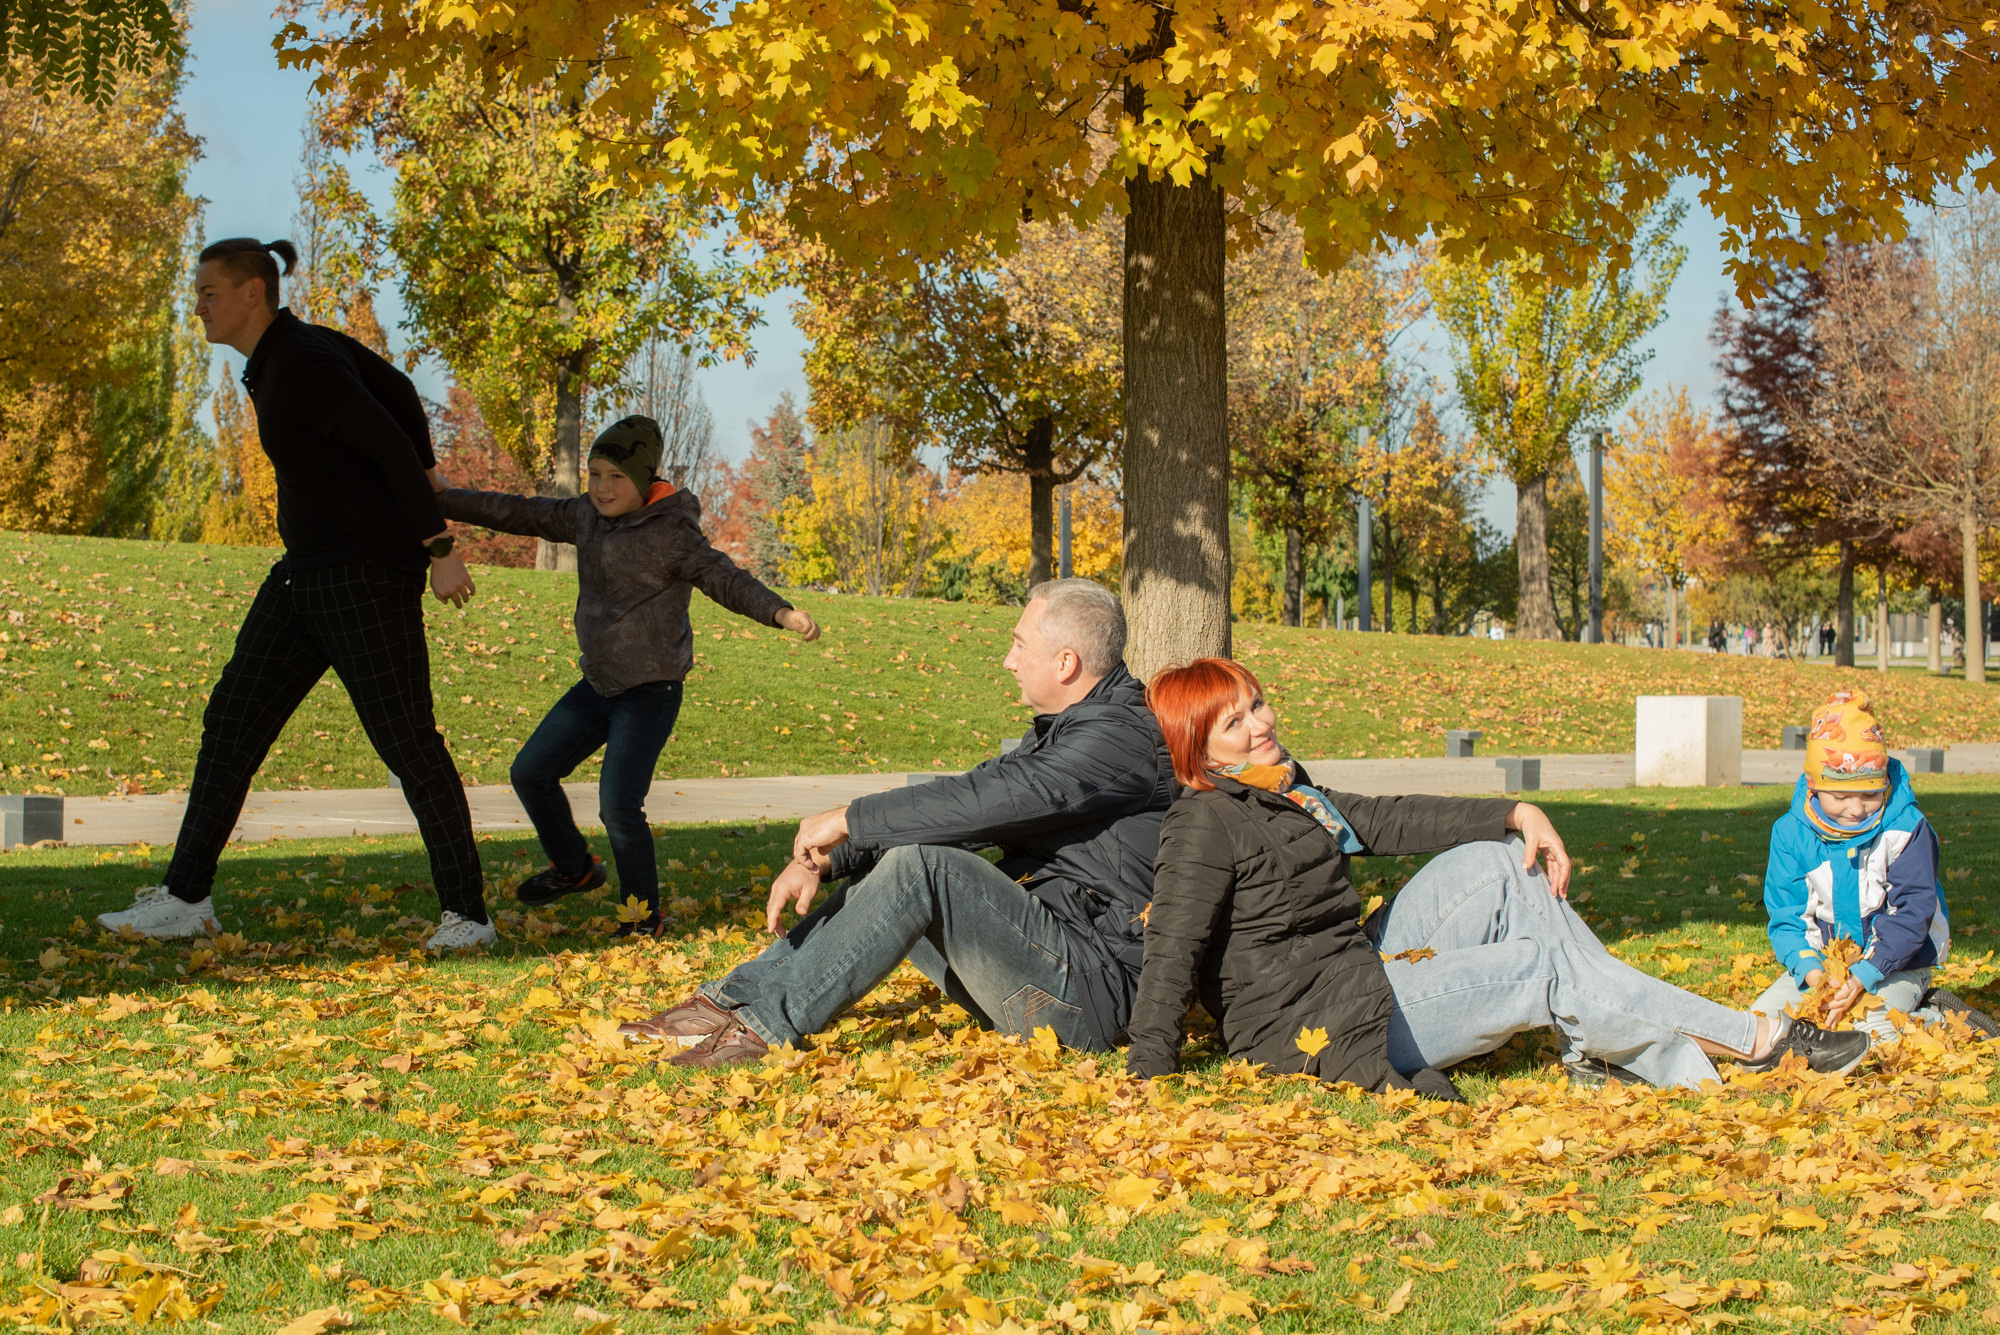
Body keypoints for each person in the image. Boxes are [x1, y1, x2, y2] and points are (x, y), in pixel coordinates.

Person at [1126, 658, 1871, 1093]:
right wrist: (1148, 1074)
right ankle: (1758, 1040)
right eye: (1235, 723)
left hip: (1354, 968)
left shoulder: (1285, 786)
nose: (1261, 722)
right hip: (1312, 1026)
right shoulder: (1205, 818)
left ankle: (1602, 1041)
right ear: (1201, 750)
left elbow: (1389, 818)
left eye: (1256, 702)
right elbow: (1174, 948)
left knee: (1500, 867)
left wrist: (1516, 812)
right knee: (1539, 962)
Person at [97, 239, 496, 951]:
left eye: (210, 293)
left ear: (253, 292)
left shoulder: (302, 361)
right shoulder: (286, 354)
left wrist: (438, 547)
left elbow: (389, 440)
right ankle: (187, 898)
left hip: (364, 575)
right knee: (231, 721)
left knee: (408, 742)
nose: (200, 307)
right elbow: (400, 389)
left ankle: (469, 915)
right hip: (304, 574)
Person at [617, 579, 1178, 1067]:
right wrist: (833, 856)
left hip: (1086, 995)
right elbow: (963, 806)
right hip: (1046, 964)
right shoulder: (1065, 733)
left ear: (1066, 662)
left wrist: (847, 820)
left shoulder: (1121, 739)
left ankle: (764, 1024)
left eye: (1018, 644)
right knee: (905, 846)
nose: (1008, 660)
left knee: (922, 864)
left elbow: (987, 800)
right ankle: (727, 1001)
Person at [431, 418, 819, 936]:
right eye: (593, 474)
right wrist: (445, 498)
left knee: (618, 804)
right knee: (530, 771)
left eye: (615, 476)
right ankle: (574, 868)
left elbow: (726, 579)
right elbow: (517, 511)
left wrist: (781, 613)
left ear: (643, 479)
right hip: (598, 686)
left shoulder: (673, 532)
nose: (602, 487)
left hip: (651, 691)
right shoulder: (583, 517)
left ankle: (643, 918)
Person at [1757, 690, 1975, 1040]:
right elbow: (1787, 917)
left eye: (1871, 794)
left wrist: (1864, 974)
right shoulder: (1790, 833)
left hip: (1898, 963)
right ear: (1814, 786)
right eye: (1841, 796)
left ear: (1885, 784)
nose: (1857, 809)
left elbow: (1912, 911)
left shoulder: (1906, 827)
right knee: (1763, 1027)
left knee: (1867, 1034)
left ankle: (1936, 1017)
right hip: (1824, 966)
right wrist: (1814, 974)